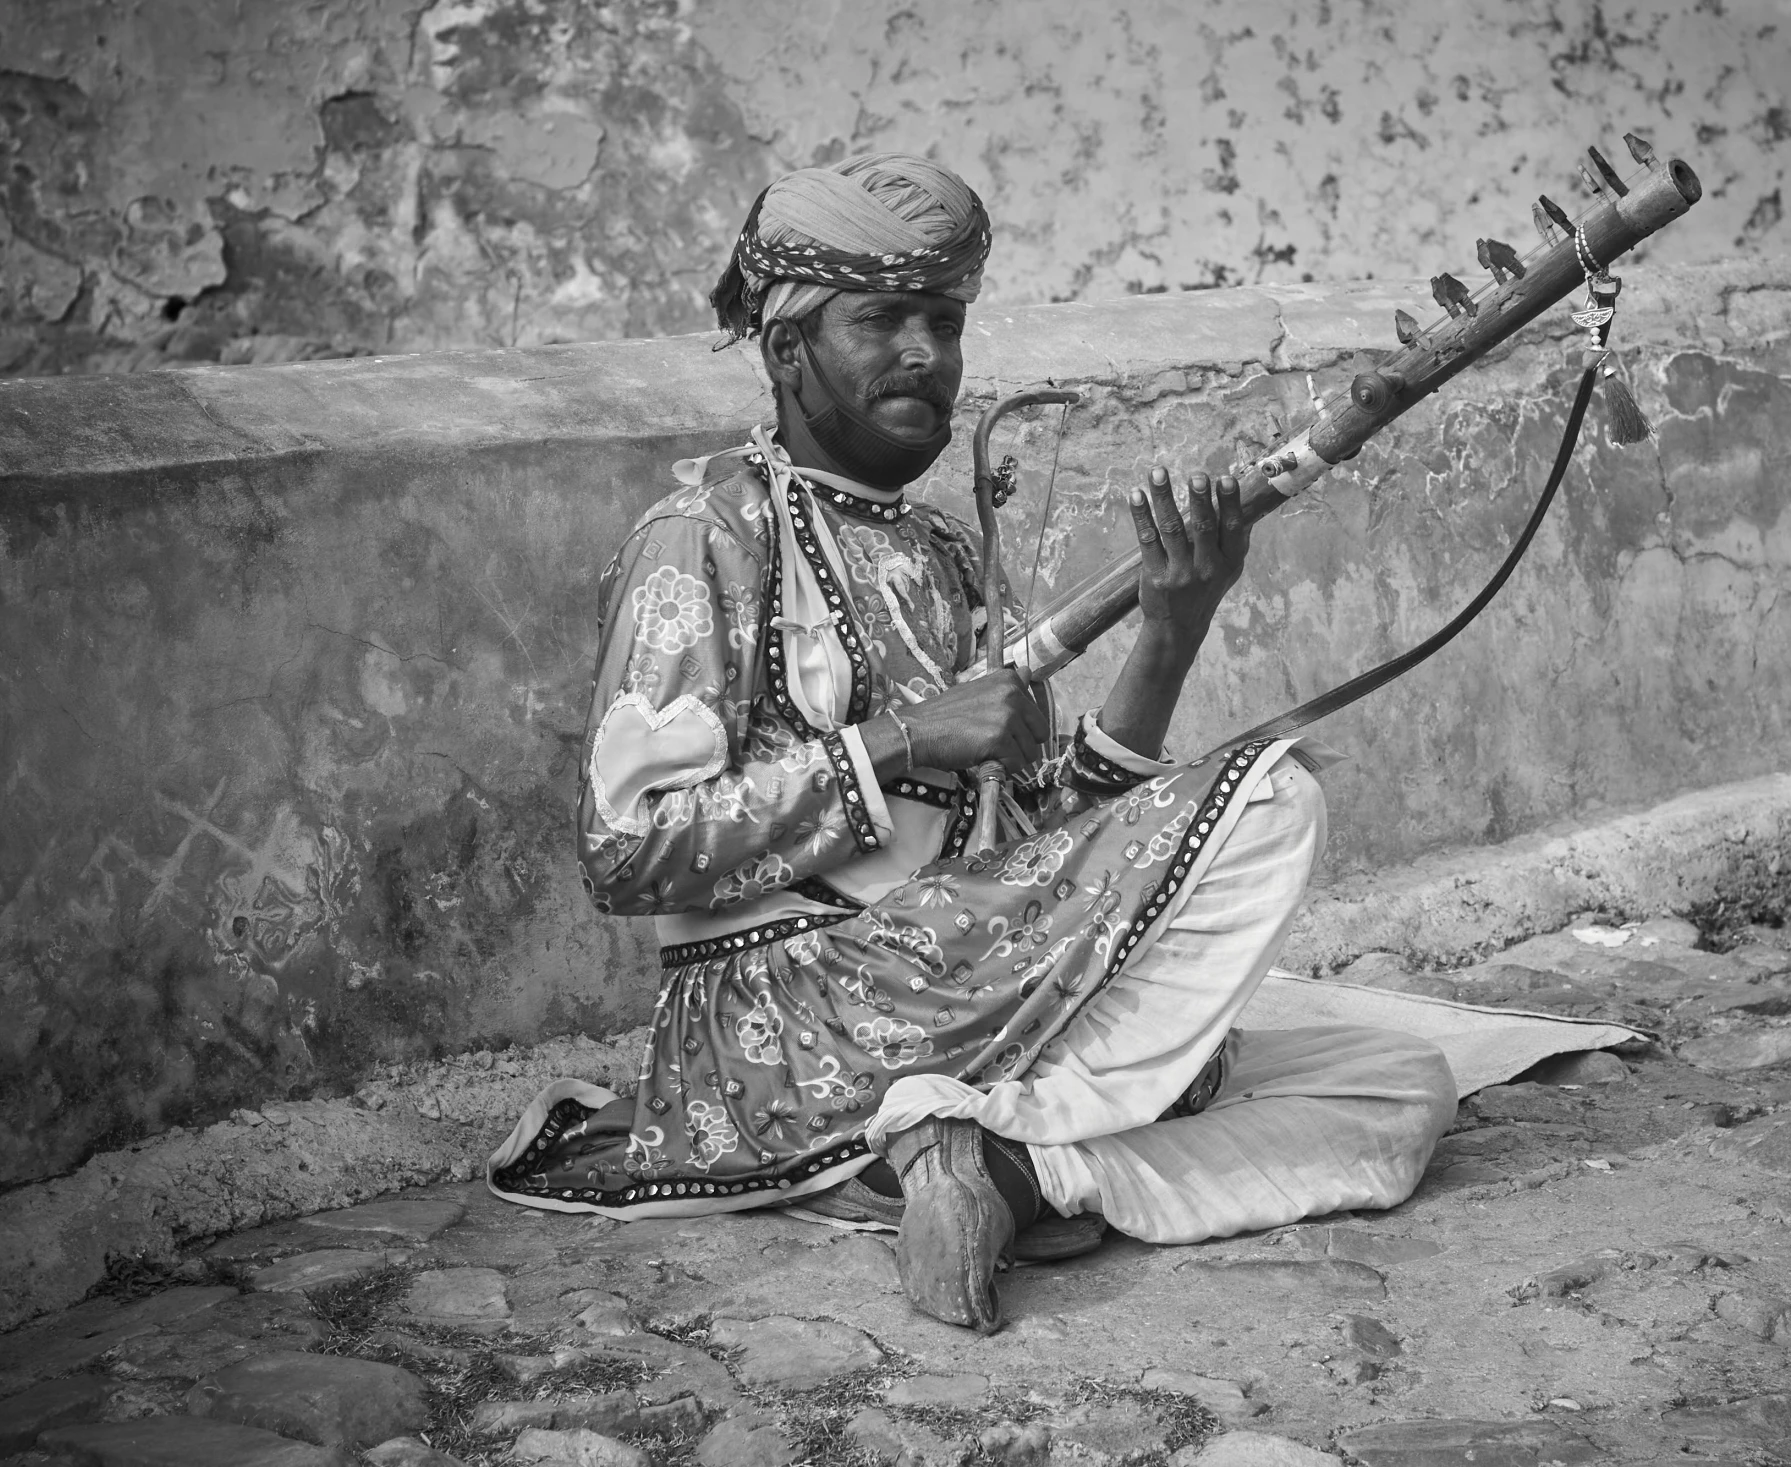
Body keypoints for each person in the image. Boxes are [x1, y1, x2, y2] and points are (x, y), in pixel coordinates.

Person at [489, 152, 1455, 1332]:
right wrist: (895, 741)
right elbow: (625, 848)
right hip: (794, 1020)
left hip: (963, 974)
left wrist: (1171, 629)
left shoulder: (942, 552)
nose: (923, 354)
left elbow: (1034, 839)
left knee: (1398, 1084)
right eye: (881, 318)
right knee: (1267, 799)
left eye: (942, 322)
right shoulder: (705, 535)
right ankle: (979, 1145)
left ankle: (1004, 1171)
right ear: (787, 347)